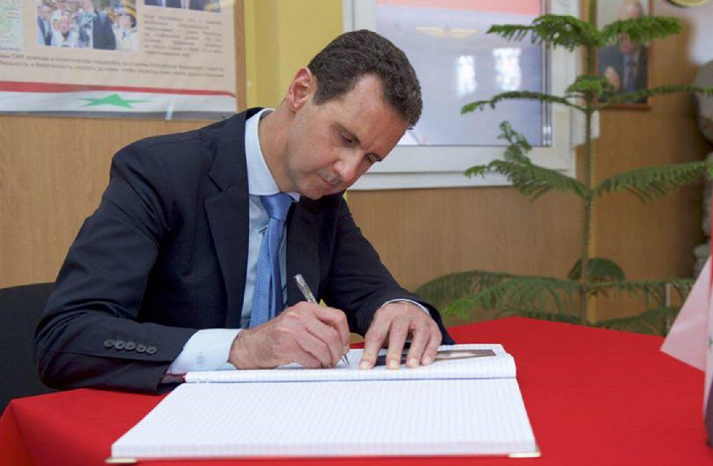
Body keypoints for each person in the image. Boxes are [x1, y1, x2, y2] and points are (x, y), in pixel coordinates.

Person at [35, 30, 454, 393]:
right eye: (345, 138)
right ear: (300, 91)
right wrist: (241, 347)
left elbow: (373, 292)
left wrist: (403, 310)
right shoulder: (161, 172)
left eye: (369, 159)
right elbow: (66, 335)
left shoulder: (322, 195)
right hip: (161, 419)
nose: (348, 171)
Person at [597, 0, 648, 103]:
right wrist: (609, 92)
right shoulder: (603, 56)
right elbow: (595, 102)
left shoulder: (653, 59)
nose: (622, 34)